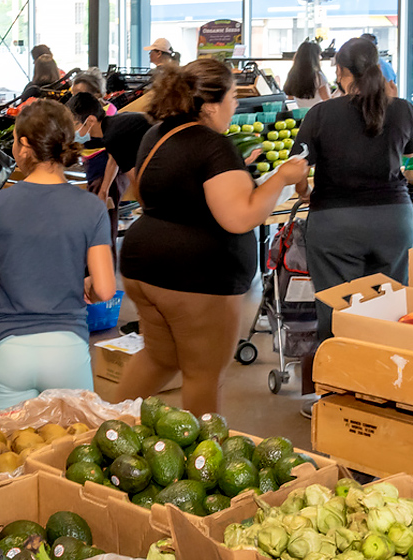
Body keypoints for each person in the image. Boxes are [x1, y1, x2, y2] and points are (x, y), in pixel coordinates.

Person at [116, 58, 308, 416]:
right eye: (233, 97)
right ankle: (206, 461)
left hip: (143, 266)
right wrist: (281, 178)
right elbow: (240, 217)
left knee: (160, 358)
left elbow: (148, 193)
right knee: (203, 374)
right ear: (209, 104)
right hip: (195, 281)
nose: (235, 106)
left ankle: (103, 424)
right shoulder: (212, 146)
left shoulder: (157, 134)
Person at [0, 99, 116, 410]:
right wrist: (84, 284)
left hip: (6, 349)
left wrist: (6, 279)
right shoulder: (91, 207)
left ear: (23, 145)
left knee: (7, 449)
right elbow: (104, 290)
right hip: (66, 350)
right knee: (67, 451)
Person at [292, 36, 413, 344]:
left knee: (337, 310)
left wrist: (303, 190)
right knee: (389, 308)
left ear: (339, 71)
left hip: (335, 222)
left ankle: (337, 383)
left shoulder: (321, 114)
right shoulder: (402, 109)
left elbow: (298, 165)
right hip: (393, 220)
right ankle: (384, 381)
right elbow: (411, 153)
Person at [68, 91, 153, 248]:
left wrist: (149, 214)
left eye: (75, 125)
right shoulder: (112, 125)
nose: (74, 131)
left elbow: (135, 179)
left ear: (91, 121)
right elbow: (113, 160)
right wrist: (104, 190)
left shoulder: (113, 136)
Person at [283, 41, 332, 108]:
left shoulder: (292, 75)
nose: (320, 57)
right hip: (317, 114)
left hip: (299, 114)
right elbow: (328, 101)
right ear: (315, 57)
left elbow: (290, 98)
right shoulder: (318, 77)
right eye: (319, 55)